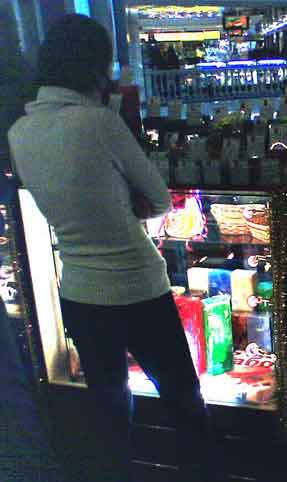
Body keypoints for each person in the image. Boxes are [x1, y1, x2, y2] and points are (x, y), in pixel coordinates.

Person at [7, 14, 211, 482]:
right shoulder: (99, 122)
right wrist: (123, 204)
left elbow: (56, 201)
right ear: (93, 68)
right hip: (138, 288)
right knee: (183, 399)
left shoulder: (19, 133)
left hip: (79, 293)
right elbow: (160, 200)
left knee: (110, 407)